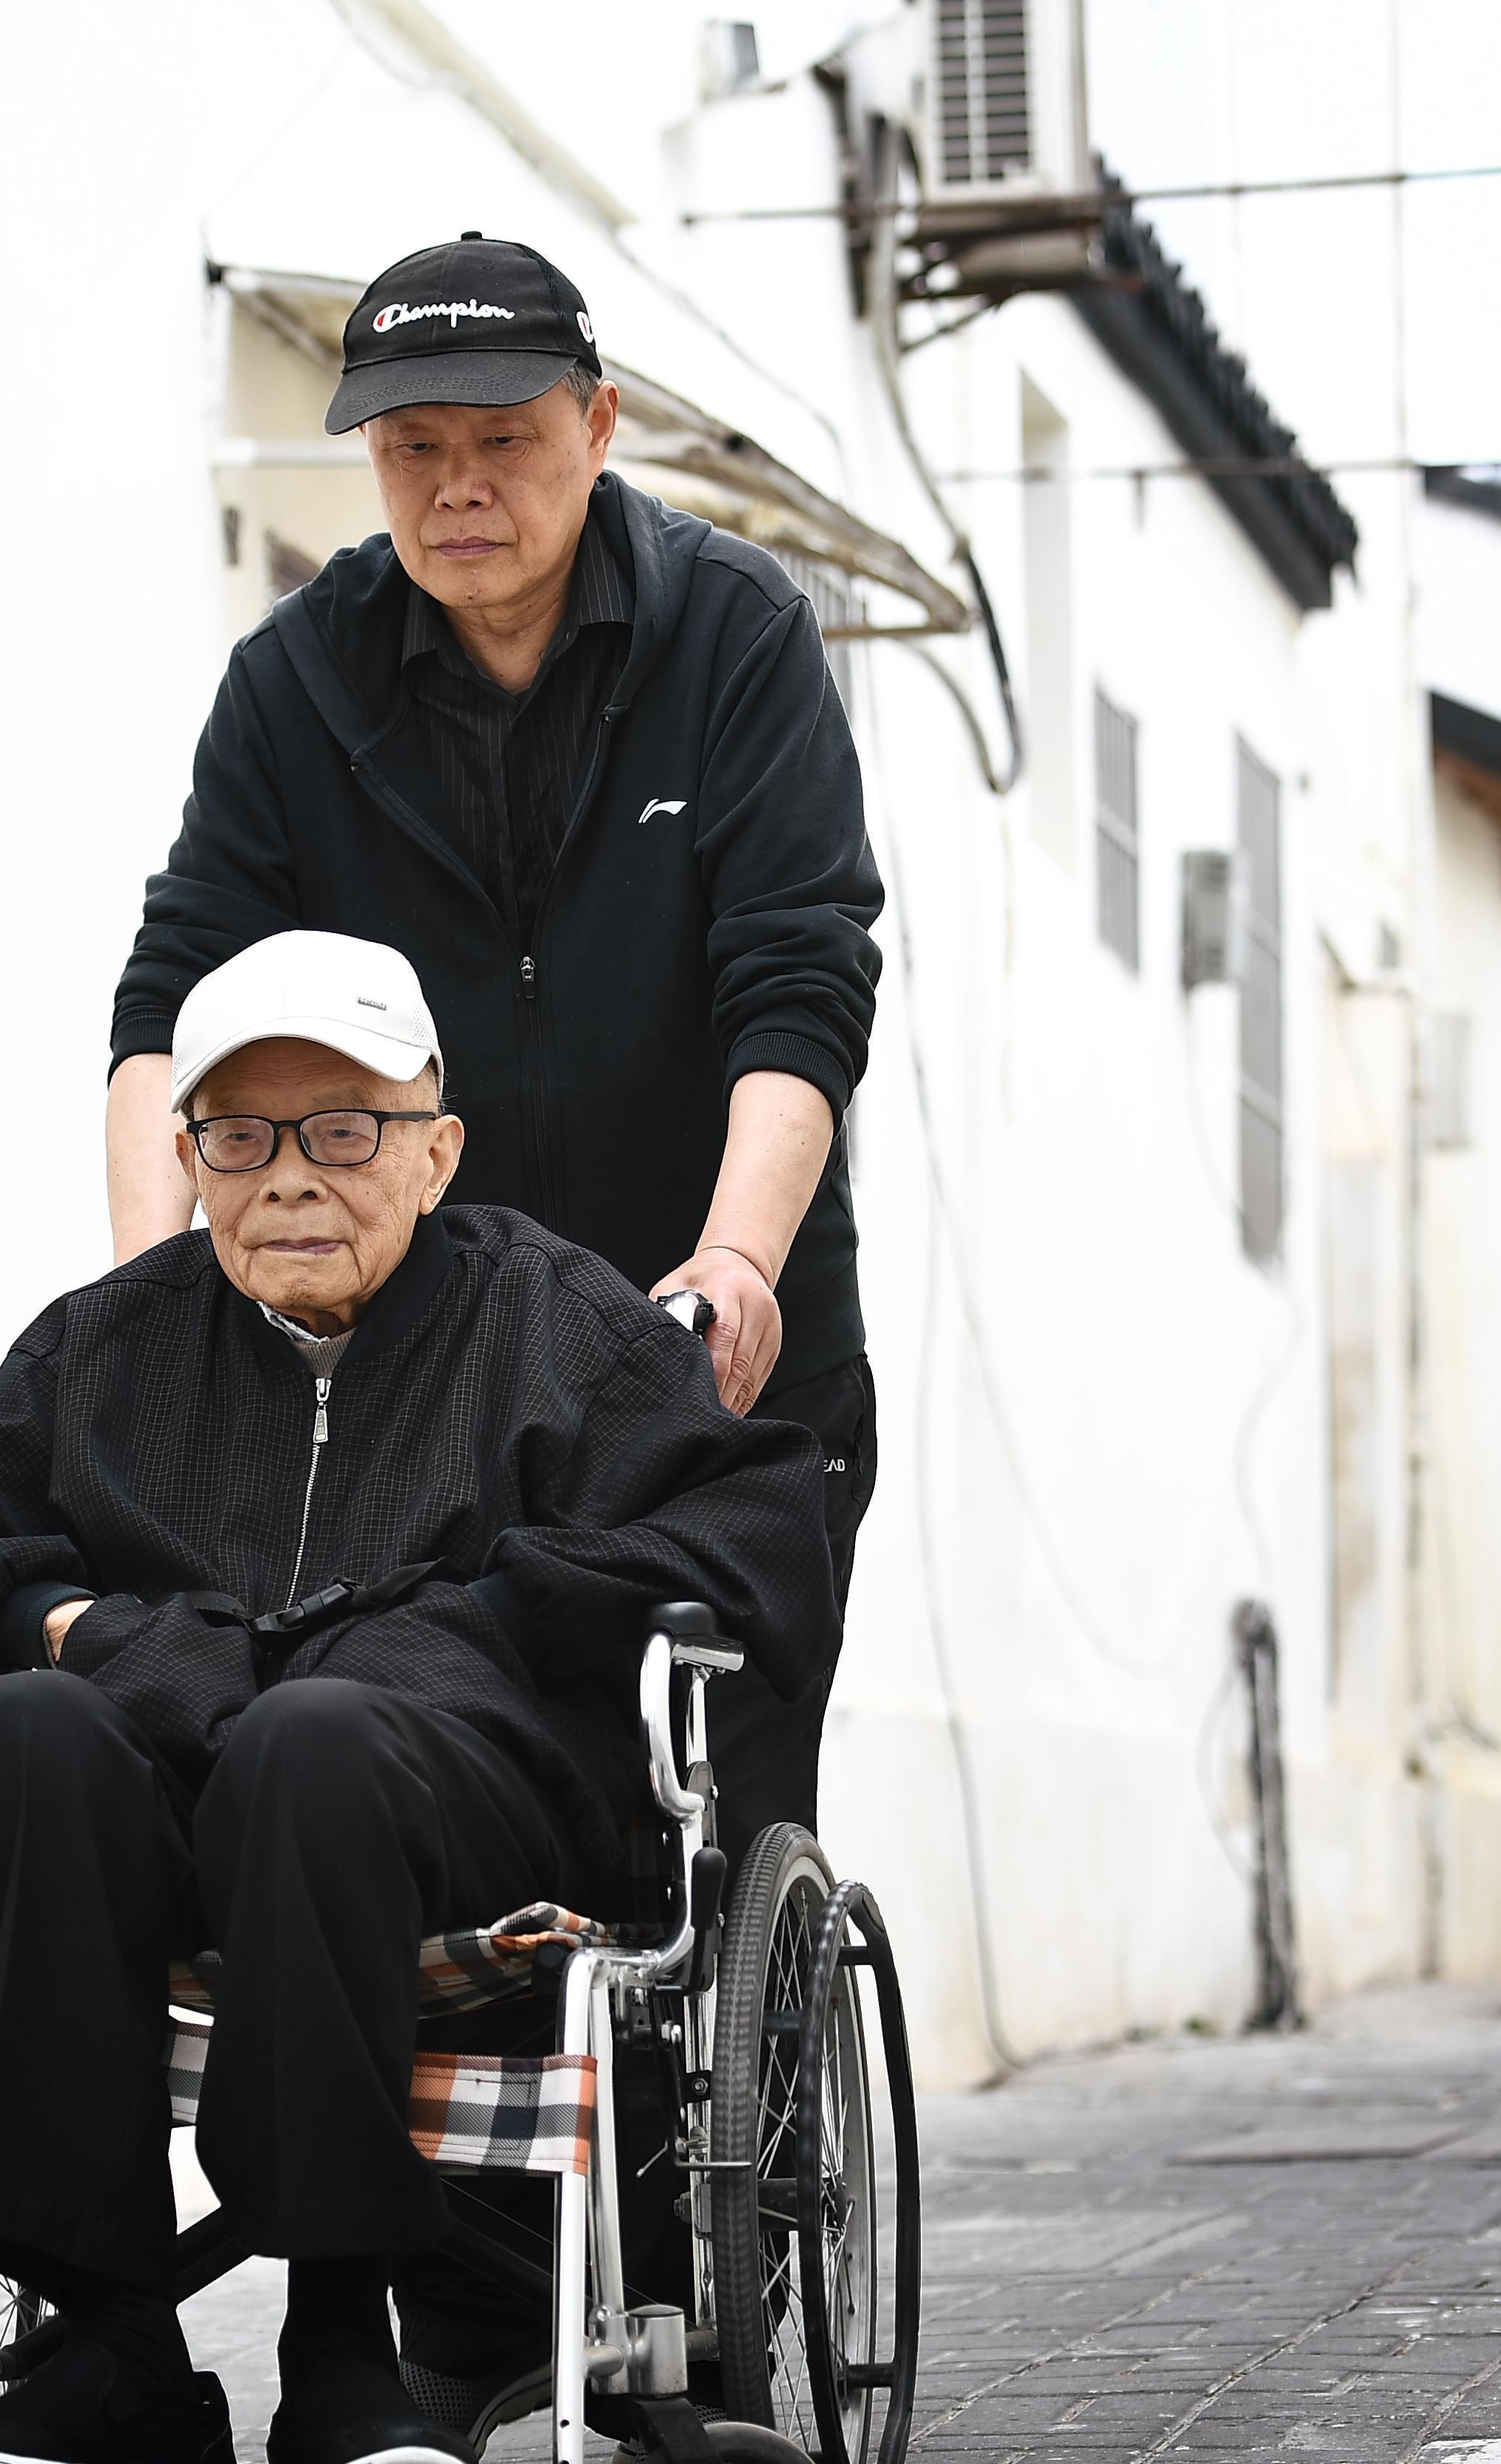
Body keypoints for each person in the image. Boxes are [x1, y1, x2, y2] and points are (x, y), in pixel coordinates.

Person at [0, 931, 831, 2464]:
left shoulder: (549, 1321)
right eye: (240, 1135)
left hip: (462, 1831)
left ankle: (344, 2351)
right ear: (192, 1160)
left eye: (344, 1129)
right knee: (31, 1735)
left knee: (316, 1739)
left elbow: (759, 1532)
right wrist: (75, 1627)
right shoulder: (107, 1351)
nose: (289, 1176)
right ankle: (120, 2355)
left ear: (437, 1150)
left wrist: (459, 1630)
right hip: (175, 1848)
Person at [105, 229, 883, 1862]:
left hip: (716, 1359)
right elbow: (177, 998)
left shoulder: (736, 634)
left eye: (503, 439)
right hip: (429, 1382)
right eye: (413, 448)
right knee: (418, 1791)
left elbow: (800, 979)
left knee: (717, 1823)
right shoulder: (295, 682)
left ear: (597, 427)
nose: (457, 485)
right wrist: (151, 1296)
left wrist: (739, 1260)